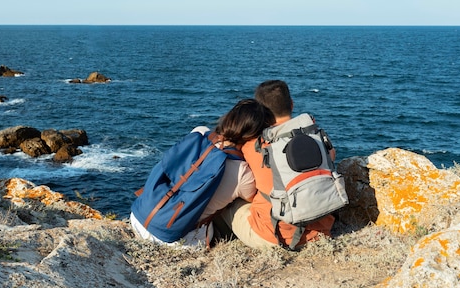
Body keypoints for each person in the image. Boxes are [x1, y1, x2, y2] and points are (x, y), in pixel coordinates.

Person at [130, 98, 275, 248]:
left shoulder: (199, 133)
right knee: (238, 204)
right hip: (170, 239)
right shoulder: (243, 173)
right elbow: (254, 199)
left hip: (138, 216)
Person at [214, 80, 335, 249]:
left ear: (260, 113)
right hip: (321, 232)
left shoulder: (253, 146)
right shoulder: (317, 138)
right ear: (291, 104)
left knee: (227, 202)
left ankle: (215, 240)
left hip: (275, 237)